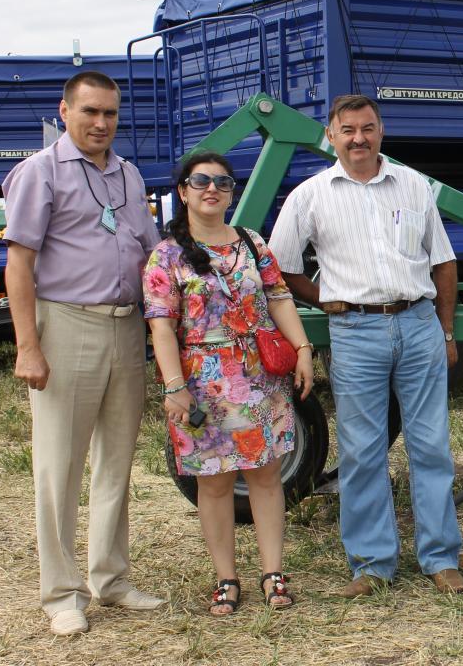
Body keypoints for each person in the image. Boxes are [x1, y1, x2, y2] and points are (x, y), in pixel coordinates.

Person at [268, 94, 463, 596]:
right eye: (348, 129)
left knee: (430, 446)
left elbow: (442, 261)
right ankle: (372, 565)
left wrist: (445, 331)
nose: (359, 138)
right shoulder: (310, 195)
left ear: (382, 132)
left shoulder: (414, 184)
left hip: (418, 323)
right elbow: (280, 267)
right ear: (331, 136)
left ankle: (440, 559)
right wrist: (328, 298)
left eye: (368, 128)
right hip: (355, 332)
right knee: (362, 452)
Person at [2, 71, 164, 636]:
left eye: (110, 114)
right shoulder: (40, 172)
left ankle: (110, 578)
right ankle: (61, 593)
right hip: (65, 324)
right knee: (59, 465)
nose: (101, 124)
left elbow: (151, 256)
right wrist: (28, 346)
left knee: (116, 461)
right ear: (65, 110)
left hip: (125, 328)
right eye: (90, 112)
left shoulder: (128, 175)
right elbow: (18, 263)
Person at [143, 152, 315, 615]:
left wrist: (302, 349)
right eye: (200, 181)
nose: (211, 189)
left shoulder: (252, 243)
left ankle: (273, 573)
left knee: (265, 476)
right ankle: (226, 578)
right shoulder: (166, 255)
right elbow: (161, 326)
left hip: (259, 376)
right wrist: (174, 387)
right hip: (200, 384)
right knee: (213, 484)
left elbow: (279, 298)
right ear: (182, 192)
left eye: (222, 181)